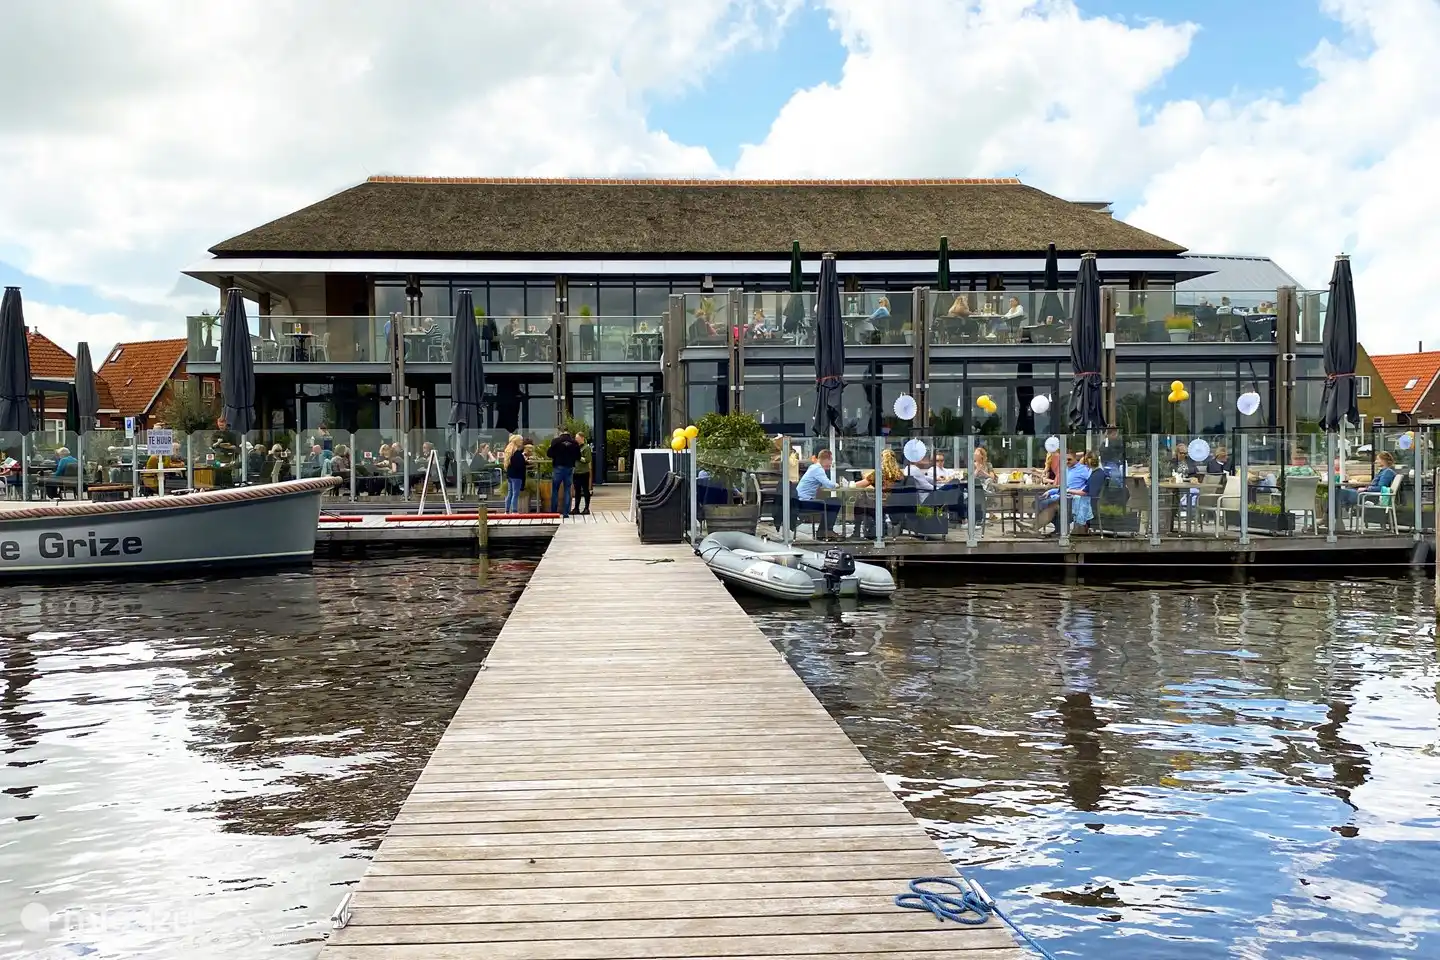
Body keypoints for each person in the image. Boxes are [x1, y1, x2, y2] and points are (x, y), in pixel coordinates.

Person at [795, 448, 840, 538]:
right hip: (804, 503)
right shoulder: (818, 469)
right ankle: (826, 531)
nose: (831, 463)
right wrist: (838, 484)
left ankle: (823, 531)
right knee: (835, 502)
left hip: (800, 501)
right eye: (831, 460)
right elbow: (829, 485)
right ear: (826, 459)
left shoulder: (813, 467)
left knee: (832, 502)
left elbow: (821, 483)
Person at [548, 428, 580, 518]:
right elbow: (578, 456)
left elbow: (549, 454)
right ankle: (566, 513)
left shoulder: (555, 441)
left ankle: (554, 512)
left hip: (558, 467)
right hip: (569, 467)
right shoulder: (574, 443)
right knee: (567, 490)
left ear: (560, 433)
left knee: (555, 490)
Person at [503, 434, 527, 513]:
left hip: (510, 475)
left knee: (510, 493)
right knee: (515, 494)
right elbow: (520, 465)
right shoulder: (517, 453)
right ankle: (514, 511)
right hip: (517, 476)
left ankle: (507, 511)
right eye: (521, 440)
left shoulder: (510, 452)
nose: (522, 442)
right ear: (518, 442)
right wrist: (525, 461)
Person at [572, 432, 593, 515]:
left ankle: (586, 508)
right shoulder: (575, 447)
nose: (576, 440)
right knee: (577, 491)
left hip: (584, 472)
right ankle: (576, 508)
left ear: (582, 438)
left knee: (585, 490)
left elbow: (588, 459)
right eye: (575, 438)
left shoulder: (586, 448)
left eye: (577, 438)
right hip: (576, 472)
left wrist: (579, 457)